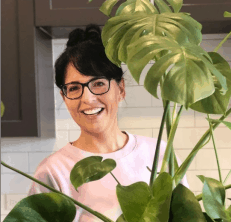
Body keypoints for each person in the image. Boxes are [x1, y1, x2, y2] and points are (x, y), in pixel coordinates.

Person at [27, 24, 190, 222]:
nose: (87, 98)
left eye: (98, 83)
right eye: (74, 88)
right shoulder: (53, 171)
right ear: (64, 96)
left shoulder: (160, 154)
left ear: (120, 88)